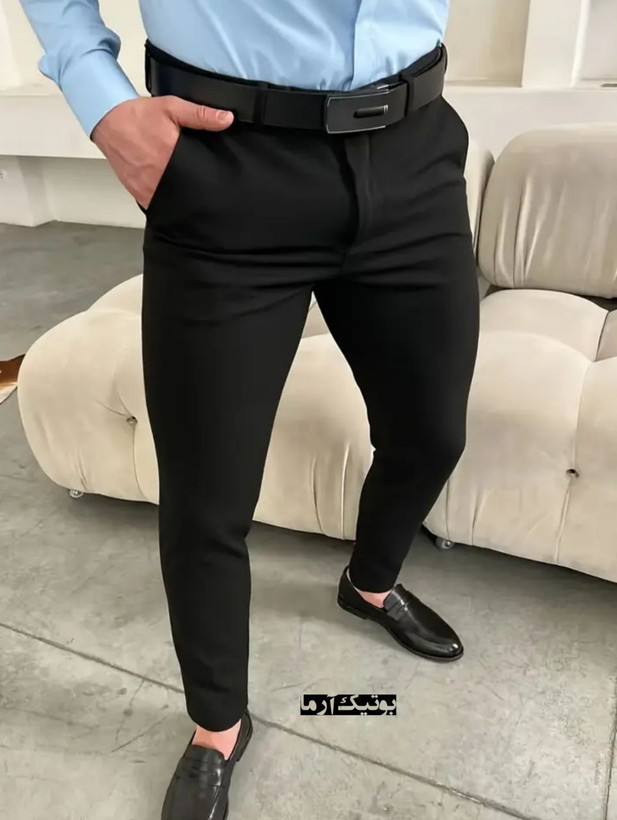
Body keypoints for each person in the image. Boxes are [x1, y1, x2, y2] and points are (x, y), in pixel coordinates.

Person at [19, 1, 480, 816]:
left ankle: (369, 584)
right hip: (224, 157)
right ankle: (217, 725)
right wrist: (102, 100)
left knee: (431, 432)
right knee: (207, 497)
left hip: (413, 148)